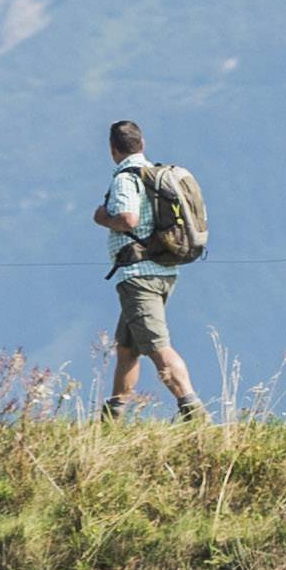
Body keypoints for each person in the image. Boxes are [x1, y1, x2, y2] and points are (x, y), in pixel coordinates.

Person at [93, 117, 202, 418]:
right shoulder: (154, 174)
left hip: (139, 276)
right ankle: (112, 416)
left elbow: (127, 218)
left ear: (113, 149)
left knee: (157, 347)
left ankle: (194, 411)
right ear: (142, 144)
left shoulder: (125, 178)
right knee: (127, 349)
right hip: (163, 270)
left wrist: (102, 218)